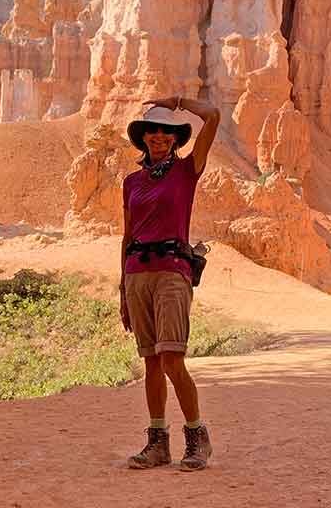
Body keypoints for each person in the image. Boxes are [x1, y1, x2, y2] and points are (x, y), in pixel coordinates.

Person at [120, 94, 220, 471]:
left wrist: (177, 102)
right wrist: (122, 293)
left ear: (176, 138)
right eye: (153, 131)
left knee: (172, 358)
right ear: (144, 137)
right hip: (136, 273)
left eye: (167, 132)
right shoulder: (131, 182)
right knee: (150, 362)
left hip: (173, 271)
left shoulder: (187, 171)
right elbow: (126, 236)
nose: (159, 136)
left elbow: (213, 117)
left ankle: (197, 436)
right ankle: (157, 443)